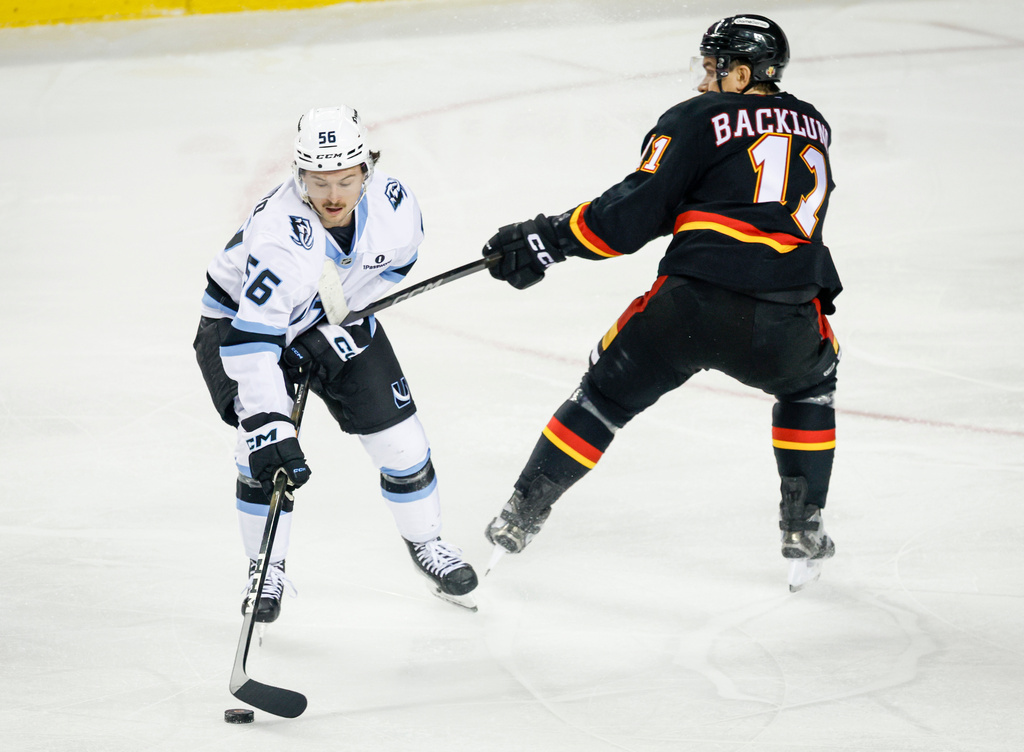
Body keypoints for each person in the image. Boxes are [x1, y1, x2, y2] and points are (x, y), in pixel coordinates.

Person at [480, 15, 841, 589]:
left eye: (711, 68)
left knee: (602, 399)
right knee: (810, 386)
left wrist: (546, 238)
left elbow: (627, 219)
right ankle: (802, 524)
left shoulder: (699, 117)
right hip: (786, 316)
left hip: (690, 306)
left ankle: (520, 514)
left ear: (743, 72)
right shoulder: (815, 126)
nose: (703, 82)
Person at [194, 105, 478, 620]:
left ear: (367, 168)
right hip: (243, 334)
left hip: (331, 316)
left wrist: (335, 325)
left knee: (402, 441)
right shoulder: (283, 237)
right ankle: (267, 567)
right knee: (262, 455)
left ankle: (427, 542)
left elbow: (395, 266)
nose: (332, 196)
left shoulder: (396, 207)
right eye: (318, 181)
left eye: (346, 180)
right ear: (299, 176)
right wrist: (267, 424)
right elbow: (250, 340)